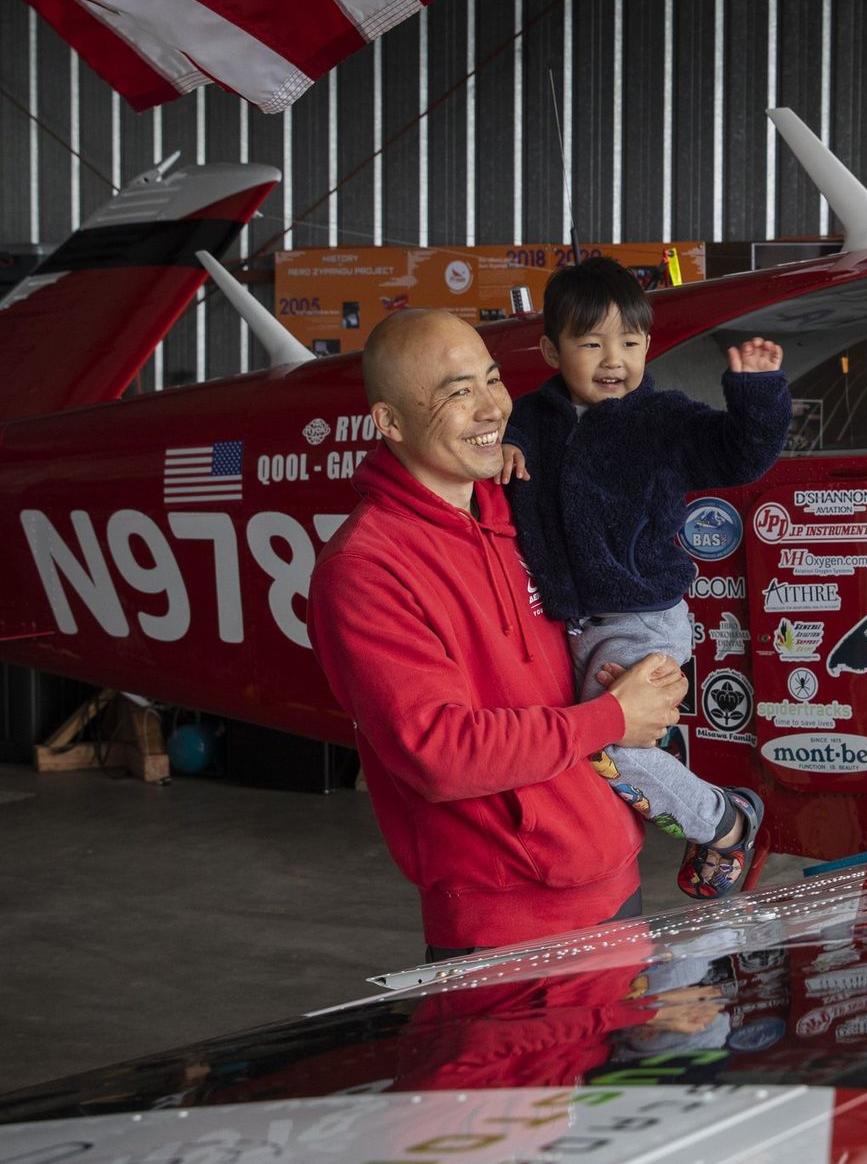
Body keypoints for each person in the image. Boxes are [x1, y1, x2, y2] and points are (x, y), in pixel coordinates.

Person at [308, 309, 688, 961]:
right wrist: (610, 717)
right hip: (510, 923)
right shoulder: (366, 570)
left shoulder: (517, 514)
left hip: (614, 883)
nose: (490, 408)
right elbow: (441, 753)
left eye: (492, 380)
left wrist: (639, 675)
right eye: (458, 392)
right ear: (389, 423)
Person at [497, 257, 790, 898]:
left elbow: (740, 455)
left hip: (641, 616)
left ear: (647, 347)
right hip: (567, 619)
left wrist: (759, 394)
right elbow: (495, 442)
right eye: (591, 342)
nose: (613, 358)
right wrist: (504, 447)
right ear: (551, 348)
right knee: (573, 749)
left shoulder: (661, 419)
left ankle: (725, 822)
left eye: (628, 343)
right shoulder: (531, 419)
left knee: (612, 749)